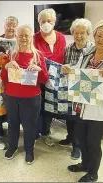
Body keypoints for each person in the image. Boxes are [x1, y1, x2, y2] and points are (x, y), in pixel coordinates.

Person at [64, 18, 103, 182]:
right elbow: (79, 69)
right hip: (84, 104)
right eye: (99, 35)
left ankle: (93, 173)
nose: (102, 39)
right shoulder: (88, 52)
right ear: (94, 36)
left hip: (102, 110)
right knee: (79, 137)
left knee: (92, 142)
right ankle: (85, 164)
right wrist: (69, 70)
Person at [1, 25, 49, 164]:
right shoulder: (11, 54)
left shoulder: (38, 55)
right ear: (16, 37)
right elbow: (4, 78)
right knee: (12, 124)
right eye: (20, 35)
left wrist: (39, 70)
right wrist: (6, 67)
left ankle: (29, 150)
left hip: (31, 98)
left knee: (30, 126)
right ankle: (12, 147)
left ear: (31, 37)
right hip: (11, 97)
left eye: (26, 35)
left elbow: (44, 80)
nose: (23, 38)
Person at [59, 18, 94, 160]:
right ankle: (70, 137)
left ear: (88, 34)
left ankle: (77, 146)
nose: (79, 36)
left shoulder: (93, 49)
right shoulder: (68, 48)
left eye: (82, 33)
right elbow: (63, 66)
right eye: (76, 33)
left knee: (80, 119)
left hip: (85, 88)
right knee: (69, 116)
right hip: (70, 87)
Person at [33, 8, 66, 146]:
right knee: (38, 108)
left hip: (56, 79)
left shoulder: (61, 37)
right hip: (39, 79)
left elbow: (63, 57)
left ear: (54, 21)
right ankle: (34, 133)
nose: (46, 23)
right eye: (43, 21)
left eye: (49, 21)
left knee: (49, 108)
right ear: (39, 22)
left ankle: (45, 133)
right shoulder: (34, 38)